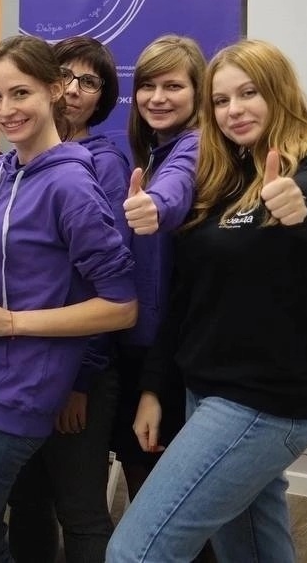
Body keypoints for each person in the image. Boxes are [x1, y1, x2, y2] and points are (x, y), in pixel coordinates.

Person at [108, 39, 307, 562]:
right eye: (221, 101)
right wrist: (155, 387)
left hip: (265, 402)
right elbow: (187, 297)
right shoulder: (227, 180)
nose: (233, 110)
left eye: (248, 93)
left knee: (136, 551)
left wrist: (298, 202)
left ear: (280, 92)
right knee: (251, 550)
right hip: (206, 393)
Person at [0, 35, 136, 563]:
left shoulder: (71, 184)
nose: (6, 109)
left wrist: (12, 323)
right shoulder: (5, 171)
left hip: (16, 392)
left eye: (20, 93)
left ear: (55, 90)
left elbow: (121, 305)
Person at [5, 36, 129, 563]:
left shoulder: (101, 166)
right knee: (27, 499)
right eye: (65, 76)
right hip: (23, 368)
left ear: (103, 97)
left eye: (90, 81)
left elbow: (108, 286)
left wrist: (81, 381)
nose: (74, 90)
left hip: (79, 370)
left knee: (79, 507)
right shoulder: (17, 160)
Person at [113, 34, 206, 501]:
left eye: (173, 87)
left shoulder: (195, 145)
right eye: (148, 86)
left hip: (168, 353)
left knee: (165, 506)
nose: (157, 98)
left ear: (198, 92)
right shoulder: (152, 151)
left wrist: (155, 205)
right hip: (144, 345)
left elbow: (177, 185)